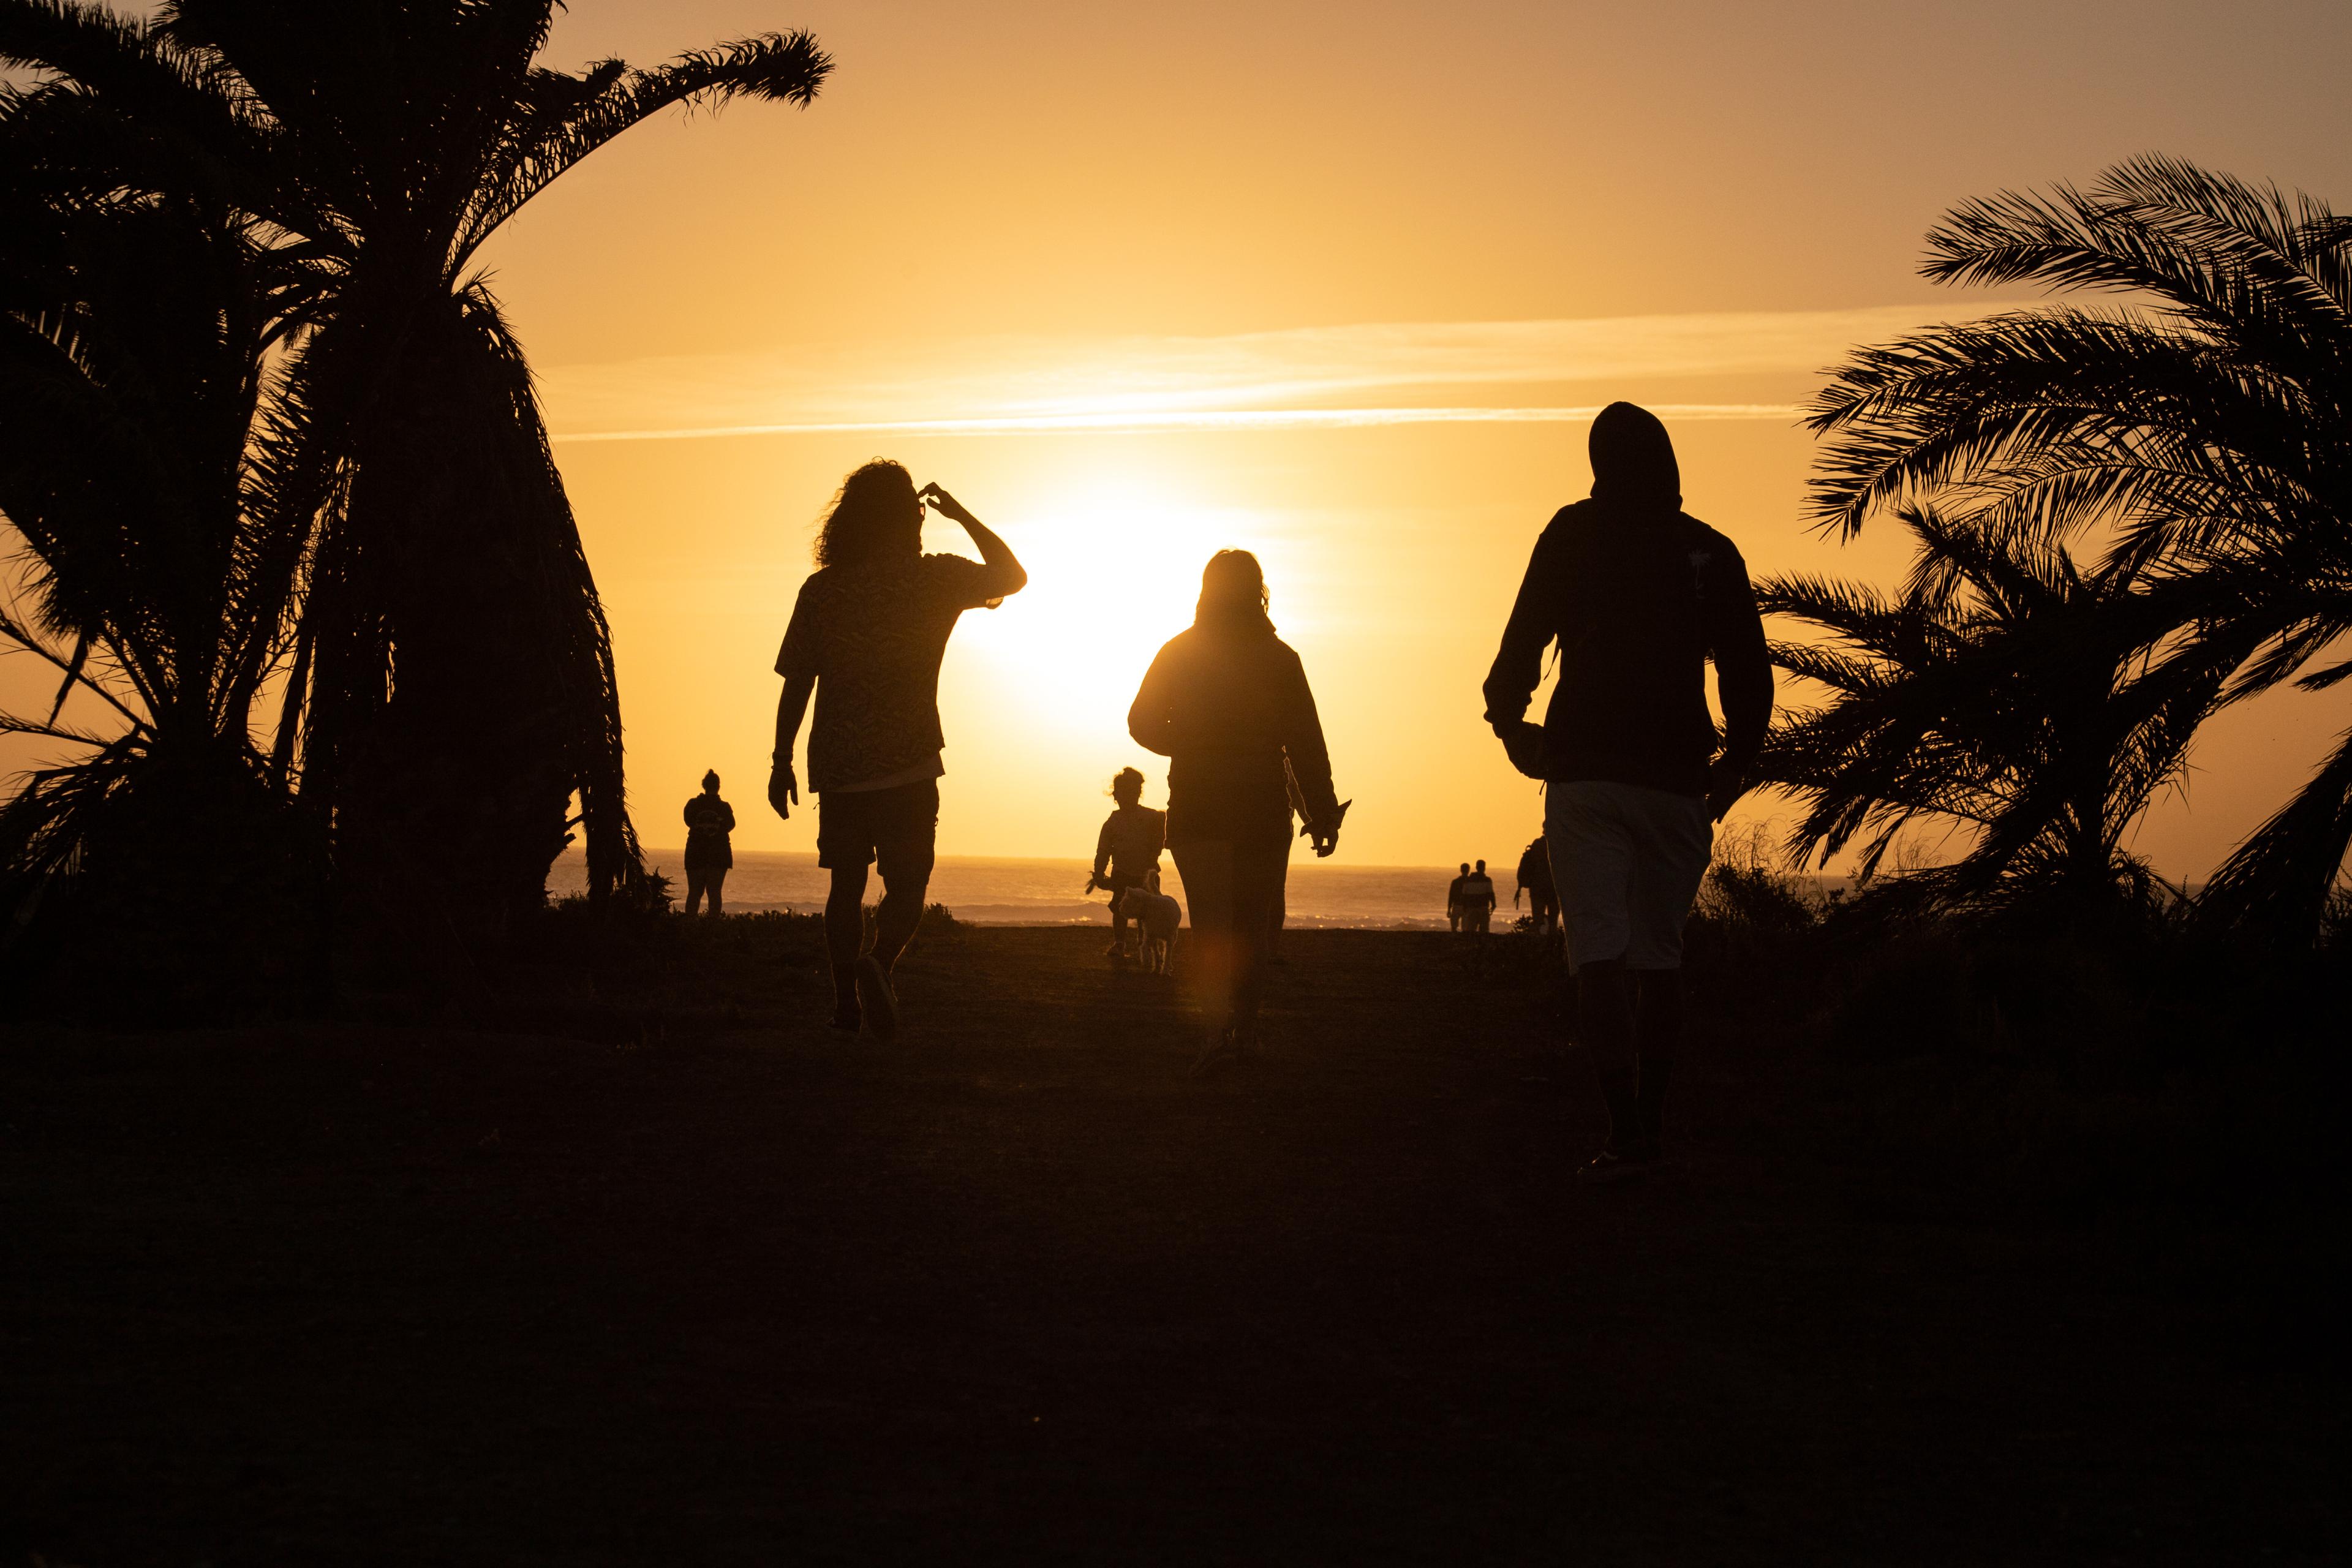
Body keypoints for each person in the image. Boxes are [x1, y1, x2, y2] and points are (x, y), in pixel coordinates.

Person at [1483, 401, 1771, 1182]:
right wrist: (1736, 763)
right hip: (1676, 779)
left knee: (1600, 957)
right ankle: (1651, 1122)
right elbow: (1748, 672)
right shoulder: (1707, 552)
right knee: (1659, 956)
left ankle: (1625, 1130)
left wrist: (1511, 723)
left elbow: (1523, 638)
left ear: (1599, 462)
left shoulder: (1573, 533)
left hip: (1585, 773)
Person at [769, 461, 1027, 1040]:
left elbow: (797, 682)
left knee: (844, 888)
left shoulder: (823, 590)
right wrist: (959, 513)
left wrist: (781, 759)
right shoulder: (932, 579)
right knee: (908, 885)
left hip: (839, 766)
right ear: (907, 521)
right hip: (909, 763)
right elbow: (1012, 576)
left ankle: (844, 1004)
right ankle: (879, 966)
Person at [1129, 550, 1346, 1075]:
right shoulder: (1279, 658)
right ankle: (1243, 1035)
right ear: (1259, 592)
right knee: (1252, 929)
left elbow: (1141, 723)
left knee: (1209, 927)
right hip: (1260, 810)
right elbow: (1307, 743)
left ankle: (1213, 1033)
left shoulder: (1179, 652)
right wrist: (1322, 813)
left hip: (1199, 807)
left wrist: (1190, 742)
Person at [1088, 767, 1167, 962]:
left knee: (1147, 911)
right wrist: (1099, 872)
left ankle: (1143, 943)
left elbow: (1160, 841)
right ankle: (1120, 943)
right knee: (1120, 909)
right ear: (1116, 795)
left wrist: (1153, 855)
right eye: (1124, 793)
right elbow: (1104, 850)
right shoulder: (1114, 821)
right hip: (1122, 872)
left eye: (1132, 792)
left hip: (1147, 872)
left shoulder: (1152, 818)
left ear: (1138, 793)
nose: (1128, 797)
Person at [682, 770, 736, 915]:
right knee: (714, 893)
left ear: (704, 785)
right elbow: (731, 825)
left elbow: (688, 820)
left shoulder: (693, 805)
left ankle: (689, 924)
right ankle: (713, 925)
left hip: (696, 854)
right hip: (718, 855)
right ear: (718, 786)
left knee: (694, 892)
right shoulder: (724, 808)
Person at [1515, 836, 1558, 935]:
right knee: (1553, 923)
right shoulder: (1557, 843)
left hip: (1537, 889)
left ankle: (1535, 944)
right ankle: (1553, 946)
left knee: (1537, 921)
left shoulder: (1537, 844)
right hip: (1553, 890)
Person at [1460, 859, 1498, 935]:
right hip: (1483, 907)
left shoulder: (1468, 880)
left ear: (1476, 867)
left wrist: (1464, 907)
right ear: (1484, 868)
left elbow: (1464, 895)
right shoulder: (1487, 880)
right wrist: (1494, 905)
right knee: (1484, 931)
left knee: (1471, 930)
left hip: (1471, 908)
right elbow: (1491, 894)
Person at [1445, 862, 1471, 932]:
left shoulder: (1455, 882)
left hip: (1457, 905)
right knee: (1465, 929)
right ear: (1469, 870)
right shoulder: (1471, 882)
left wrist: (1449, 909)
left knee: (1454, 927)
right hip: (1467, 907)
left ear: (1461, 870)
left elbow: (1451, 896)